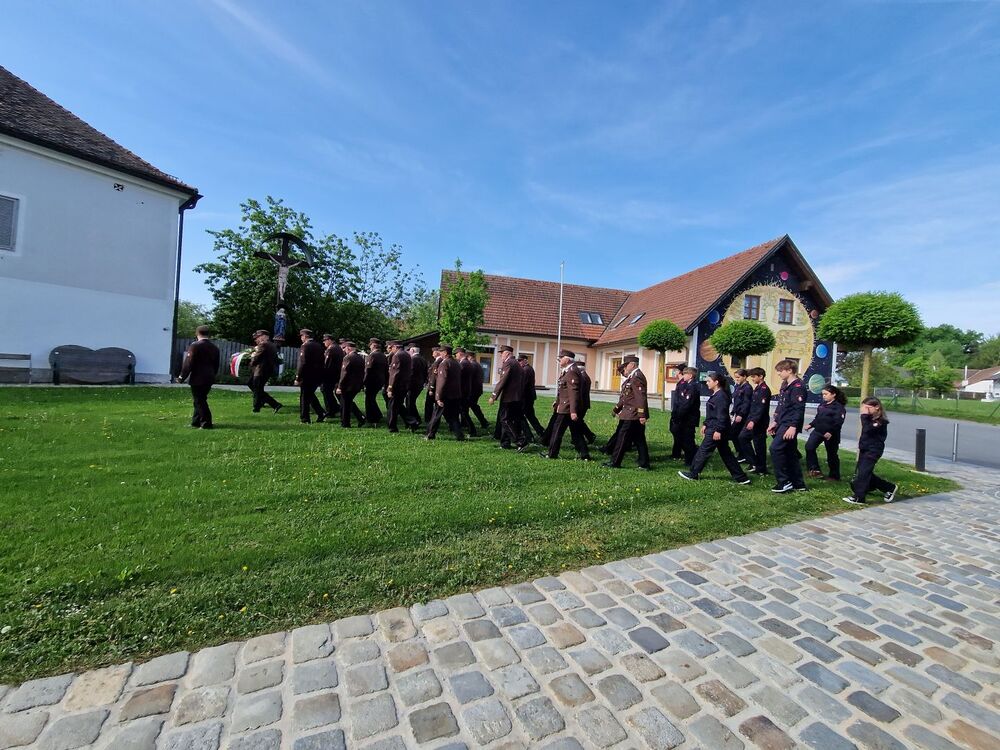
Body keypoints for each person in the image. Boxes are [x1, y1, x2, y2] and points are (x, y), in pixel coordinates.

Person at [679, 371, 751, 484]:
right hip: (714, 427)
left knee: (703, 451)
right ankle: (741, 478)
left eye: (709, 381)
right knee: (726, 454)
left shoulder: (721, 396)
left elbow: (722, 416)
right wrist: (705, 424)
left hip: (716, 429)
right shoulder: (717, 394)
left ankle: (693, 473)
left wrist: (718, 430)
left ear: (716, 382)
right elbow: (712, 414)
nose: (707, 383)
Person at [843, 397, 897, 505]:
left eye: (868, 408)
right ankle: (889, 487)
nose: (865, 411)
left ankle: (859, 497)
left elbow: (868, 429)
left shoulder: (880, 421)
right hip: (864, 448)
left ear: (877, 407)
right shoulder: (869, 419)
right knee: (864, 473)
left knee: (864, 473)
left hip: (873, 450)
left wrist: (864, 416)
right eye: (864, 408)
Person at [541, 350, 590, 460]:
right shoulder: (568, 370)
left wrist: (573, 411)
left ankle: (552, 454)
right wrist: (557, 401)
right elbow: (564, 390)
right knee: (576, 431)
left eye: (561, 358)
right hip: (566, 405)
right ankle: (585, 454)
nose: (559, 360)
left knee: (557, 430)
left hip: (567, 408)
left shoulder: (572, 371)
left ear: (567, 359)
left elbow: (573, 393)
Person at [603, 355, 650, 470]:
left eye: (626, 365)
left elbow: (640, 397)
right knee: (639, 439)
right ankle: (644, 463)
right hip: (631, 413)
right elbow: (626, 397)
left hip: (632, 414)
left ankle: (615, 462)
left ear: (632, 365)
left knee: (622, 438)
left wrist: (642, 414)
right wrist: (616, 409)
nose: (624, 368)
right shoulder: (633, 377)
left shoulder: (637, 377)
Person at [768, 359, 807, 492]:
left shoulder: (798, 386)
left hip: (789, 424)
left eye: (780, 371)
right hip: (782, 422)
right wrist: (775, 422)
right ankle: (798, 484)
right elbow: (781, 405)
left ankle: (784, 482)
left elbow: (798, 409)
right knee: (790, 453)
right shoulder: (785, 384)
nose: (778, 373)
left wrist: (793, 426)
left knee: (775, 449)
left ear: (789, 370)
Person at [179, 325, 220, 429]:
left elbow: (188, 363)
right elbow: (216, 364)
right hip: (209, 377)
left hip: (198, 377)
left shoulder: (195, 346)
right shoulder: (215, 348)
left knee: (199, 401)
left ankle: (206, 423)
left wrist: (181, 377)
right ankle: (196, 422)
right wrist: (213, 374)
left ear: (197, 333)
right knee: (200, 399)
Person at [489, 345, 528, 450]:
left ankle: (521, 441)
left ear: (507, 353)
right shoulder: (516, 364)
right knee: (509, 420)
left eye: (502, 353)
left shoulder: (509, 363)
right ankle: (505, 443)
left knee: (505, 420)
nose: (501, 355)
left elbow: (503, 381)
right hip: (516, 397)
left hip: (509, 397)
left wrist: (494, 396)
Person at [805, 384, 847, 480]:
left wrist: (830, 432)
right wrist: (811, 425)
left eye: (826, 394)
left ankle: (834, 476)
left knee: (831, 454)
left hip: (831, 434)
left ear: (833, 394)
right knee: (809, 447)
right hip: (818, 431)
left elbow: (838, 422)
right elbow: (818, 418)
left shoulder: (839, 407)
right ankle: (814, 470)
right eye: (823, 394)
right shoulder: (822, 405)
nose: (824, 396)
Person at [425, 345, 465, 441]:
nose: (440, 353)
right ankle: (460, 436)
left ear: (445, 353)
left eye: (441, 351)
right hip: (455, 394)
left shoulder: (444, 363)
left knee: (436, 415)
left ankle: (430, 434)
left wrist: (438, 396)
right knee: (453, 417)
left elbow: (442, 381)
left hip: (445, 395)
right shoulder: (456, 363)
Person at [738, 367, 772, 475]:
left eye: (754, 377)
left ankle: (761, 468)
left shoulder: (764, 389)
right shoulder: (757, 388)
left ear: (760, 376)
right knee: (742, 438)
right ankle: (754, 462)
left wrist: (753, 421)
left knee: (759, 445)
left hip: (759, 422)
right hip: (752, 419)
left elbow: (760, 408)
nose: (752, 379)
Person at [670, 367, 701, 464]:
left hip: (689, 417)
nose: (683, 376)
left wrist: (678, 415)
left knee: (688, 439)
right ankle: (690, 457)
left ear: (690, 375)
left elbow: (687, 403)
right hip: (684, 416)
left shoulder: (693, 386)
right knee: (682, 437)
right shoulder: (687, 384)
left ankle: (691, 459)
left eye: (685, 374)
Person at [295, 329, 326, 424]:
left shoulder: (305, 346)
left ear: (305, 336)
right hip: (317, 375)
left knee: (304, 397)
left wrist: (298, 377)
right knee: (310, 395)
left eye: (302, 336)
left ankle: (305, 418)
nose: (301, 338)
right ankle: (321, 412)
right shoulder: (319, 346)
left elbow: (302, 363)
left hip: (306, 375)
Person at [248, 329, 282, 413]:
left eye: (259, 336)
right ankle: (259, 405)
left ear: (264, 336)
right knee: (256, 387)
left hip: (260, 370)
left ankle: (273, 404)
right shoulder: (273, 345)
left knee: (257, 389)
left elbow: (257, 358)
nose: (258, 339)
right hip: (267, 370)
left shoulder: (263, 345)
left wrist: (252, 359)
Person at [336, 341, 366, 427]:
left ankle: (345, 423)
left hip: (348, 385)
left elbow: (344, 373)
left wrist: (340, 386)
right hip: (356, 385)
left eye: (344, 348)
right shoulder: (360, 358)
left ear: (348, 348)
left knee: (345, 404)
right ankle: (360, 418)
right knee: (348, 403)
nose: (344, 350)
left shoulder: (348, 357)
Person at [385, 340, 412, 433]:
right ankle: (412, 422)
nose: (390, 349)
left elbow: (394, 373)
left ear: (395, 347)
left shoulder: (397, 356)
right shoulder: (406, 355)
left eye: (391, 347)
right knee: (398, 405)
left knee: (392, 407)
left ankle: (392, 427)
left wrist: (390, 387)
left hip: (397, 385)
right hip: (404, 384)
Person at [518, 354, 545, 441]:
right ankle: (541, 432)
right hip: (528, 396)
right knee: (530, 415)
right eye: (518, 360)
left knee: (520, 415)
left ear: (525, 360)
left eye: (520, 360)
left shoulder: (526, 369)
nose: (519, 362)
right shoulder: (527, 369)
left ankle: (528, 435)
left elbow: (523, 384)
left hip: (526, 397)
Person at [729, 368, 752, 462]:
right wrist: (732, 412)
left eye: (738, 377)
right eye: (735, 377)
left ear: (744, 377)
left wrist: (741, 414)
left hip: (743, 415)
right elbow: (736, 401)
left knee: (735, 434)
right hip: (737, 413)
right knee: (734, 434)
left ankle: (744, 455)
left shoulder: (747, 388)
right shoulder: (739, 386)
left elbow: (746, 403)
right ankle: (741, 453)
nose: (736, 379)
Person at [364, 338, 388, 426]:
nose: (370, 347)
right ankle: (377, 414)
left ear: (373, 346)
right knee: (372, 398)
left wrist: (364, 381)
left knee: (369, 399)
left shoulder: (372, 356)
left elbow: (368, 370)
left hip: (372, 380)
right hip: (380, 380)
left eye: (370, 345)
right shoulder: (383, 355)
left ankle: (371, 418)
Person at [456, 348, 478, 437]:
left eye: (456, 354)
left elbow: (459, 377)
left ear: (460, 354)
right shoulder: (466, 363)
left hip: (463, 391)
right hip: (466, 390)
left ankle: (472, 430)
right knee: (463, 411)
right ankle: (466, 428)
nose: (456, 355)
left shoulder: (464, 363)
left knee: (463, 411)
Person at [320, 334, 343, 419]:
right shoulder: (338, 348)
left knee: (326, 391)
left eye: (325, 340)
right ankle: (335, 408)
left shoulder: (331, 349)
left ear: (329, 340)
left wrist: (323, 374)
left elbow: (326, 363)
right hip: (336, 374)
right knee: (328, 392)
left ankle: (331, 410)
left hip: (330, 375)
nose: (324, 342)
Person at [406, 344, 428, 429]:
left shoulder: (413, 359)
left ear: (412, 350)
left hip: (413, 384)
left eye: (409, 350)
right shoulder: (423, 359)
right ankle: (416, 419)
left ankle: (414, 420)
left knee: (410, 403)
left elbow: (411, 373)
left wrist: (407, 384)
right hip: (419, 384)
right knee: (411, 402)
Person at [467, 352, 490, 431]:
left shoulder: (473, 365)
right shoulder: (477, 364)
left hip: (473, 390)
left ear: (470, 357)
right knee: (474, 406)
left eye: (467, 357)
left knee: (467, 407)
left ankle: (482, 423)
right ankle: (484, 422)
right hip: (477, 390)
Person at [424, 347, 442, 424]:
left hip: (434, 386)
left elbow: (434, 376)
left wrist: (431, 387)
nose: (432, 354)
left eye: (434, 352)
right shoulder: (437, 361)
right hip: (433, 385)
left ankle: (429, 419)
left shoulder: (439, 361)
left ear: (437, 352)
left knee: (429, 403)